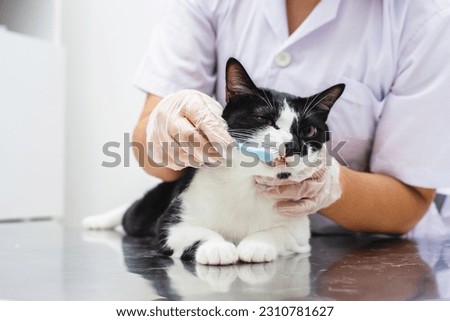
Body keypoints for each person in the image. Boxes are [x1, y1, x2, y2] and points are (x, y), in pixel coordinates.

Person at [132, 0, 450, 237]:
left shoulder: (424, 18)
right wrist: (167, 126)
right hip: (232, 232)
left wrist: (327, 184)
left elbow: (410, 203)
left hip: (362, 254)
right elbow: (152, 158)